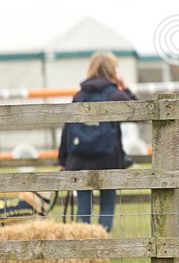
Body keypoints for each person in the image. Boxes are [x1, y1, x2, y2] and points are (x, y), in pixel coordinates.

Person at [58, 51, 136, 232]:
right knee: (107, 207)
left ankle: (83, 250)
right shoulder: (114, 94)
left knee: (83, 207)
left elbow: (67, 129)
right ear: (112, 70)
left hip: (79, 159)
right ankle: (102, 249)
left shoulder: (79, 95)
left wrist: (63, 160)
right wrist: (125, 88)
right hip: (107, 158)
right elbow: (140, 111)